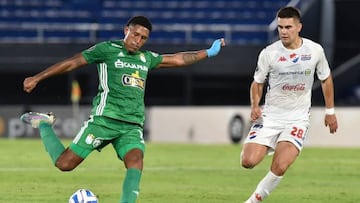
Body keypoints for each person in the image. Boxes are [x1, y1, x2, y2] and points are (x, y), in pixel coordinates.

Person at [20, 16, 226, 203]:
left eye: (144, 38)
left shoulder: (146, 58)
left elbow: (179, 59)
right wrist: (38, 77)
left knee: (136, 161)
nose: (138, 40)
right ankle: (45, 124)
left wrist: (208, 52)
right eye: (135, 34)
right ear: (126, 30)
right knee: (65, 164)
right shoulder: (106, 49)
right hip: (104, 120)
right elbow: (74, 62)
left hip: (131, 126)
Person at [240, 7, 338, 203]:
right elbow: (257, 83)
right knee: (248, 162)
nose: (283, 31)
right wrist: (254, 105)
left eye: (288, 27)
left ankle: (253, 201)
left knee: (280, 166)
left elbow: (326, 79)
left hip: (297, 120)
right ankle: (274, 143)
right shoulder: (269, 53)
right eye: (280, 27)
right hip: (270, 117)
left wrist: (330, 111)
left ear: (299, 27)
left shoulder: (314, 50)